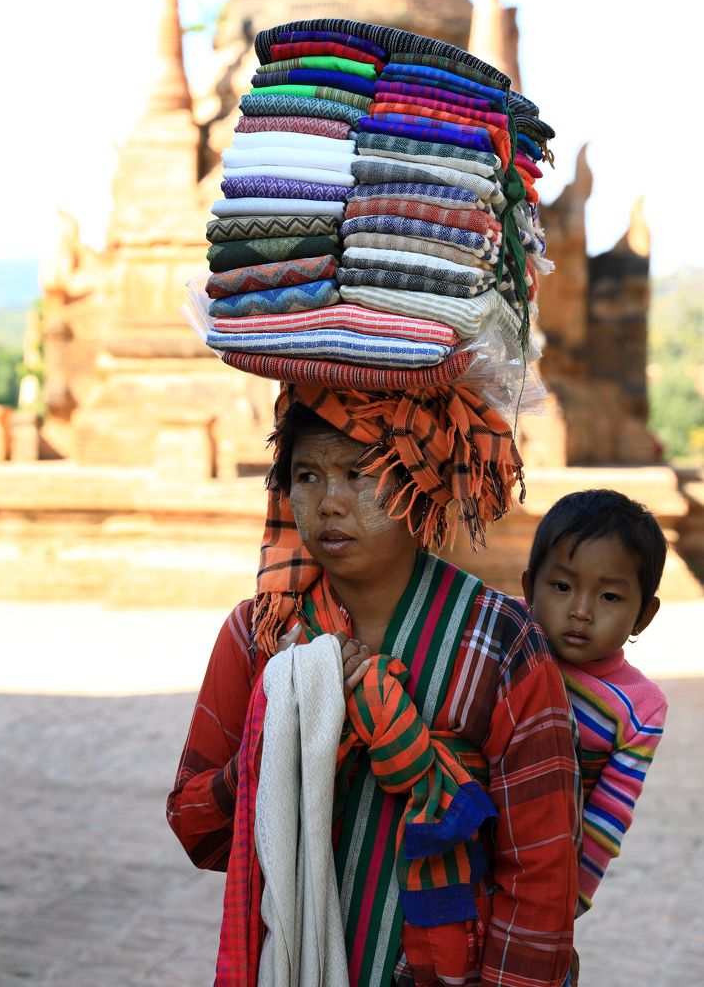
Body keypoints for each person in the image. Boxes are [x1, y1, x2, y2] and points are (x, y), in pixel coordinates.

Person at [167, 381, 581, 987]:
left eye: (359, 473)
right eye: (307, 475)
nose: (329, 501)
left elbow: (541, 868)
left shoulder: (500, 641)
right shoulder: (260, 634)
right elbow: (196, 826)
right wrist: (277, 737)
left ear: (419, 482)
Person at [521, 489, 668, 917]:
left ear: (644, 615)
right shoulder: (507, 634)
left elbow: (607, 816)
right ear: (530, 587)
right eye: (563, 586)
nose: (581, 611)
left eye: (609, 597)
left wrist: (565, 906)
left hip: (543, 871)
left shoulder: (641, 708)